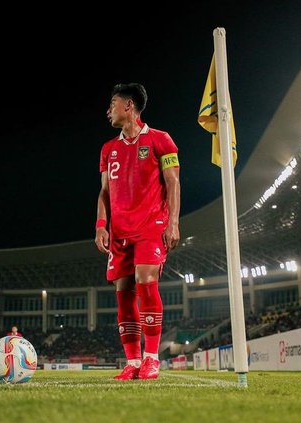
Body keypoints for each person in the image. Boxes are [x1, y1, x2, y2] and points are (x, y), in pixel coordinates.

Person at [95, 83, 181, 380]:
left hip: (150, 225)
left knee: (146, 280)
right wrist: (100, 226)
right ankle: (132, 362)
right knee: (123, 292)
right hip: (119, 232)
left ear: (129, 105)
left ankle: (151, 358)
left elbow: (173, 183)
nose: (109, 110)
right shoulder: (108, 149)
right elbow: (104, 192)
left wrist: (173, 222)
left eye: (113, 103)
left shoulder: (161, 140)